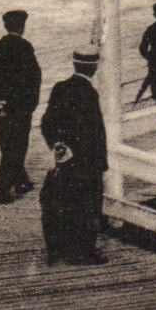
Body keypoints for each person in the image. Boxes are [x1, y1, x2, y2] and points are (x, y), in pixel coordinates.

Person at [40, 44, 108, 265]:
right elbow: (94, 132)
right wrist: (101, 163)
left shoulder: (60, 87)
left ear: (75, 63)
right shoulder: (90, 93)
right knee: (87, 206)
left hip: (65, 158)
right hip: (87, 161)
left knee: (63, 203)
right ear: (94, 67)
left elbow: (47, 121)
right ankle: (84, 252)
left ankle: (59, 249)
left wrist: (58, 145)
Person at [0, 9, 41, 203]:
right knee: (18, 145)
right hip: (20, 105)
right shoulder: (25, 47)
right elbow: (34, 77)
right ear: (22, 27)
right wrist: (31, 103)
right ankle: (2, 189)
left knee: (7, 144)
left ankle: (21, 181)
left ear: (5, 26)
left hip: (1, 106)